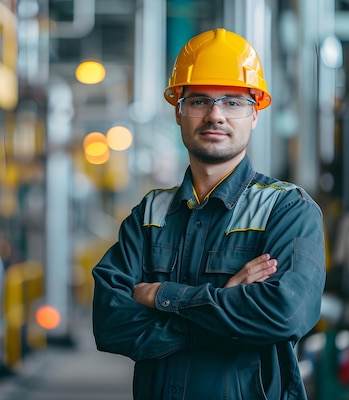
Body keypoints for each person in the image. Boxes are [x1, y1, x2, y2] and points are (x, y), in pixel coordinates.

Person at [91, 28, 326, 400]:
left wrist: (165, 297)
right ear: (178, 111)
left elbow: (283, 314)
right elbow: (109, 325)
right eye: (199, 101)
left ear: (255, 114)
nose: (215, 115)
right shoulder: (150, 214)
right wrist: (222, 301)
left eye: (233, 102)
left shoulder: (287, 209)